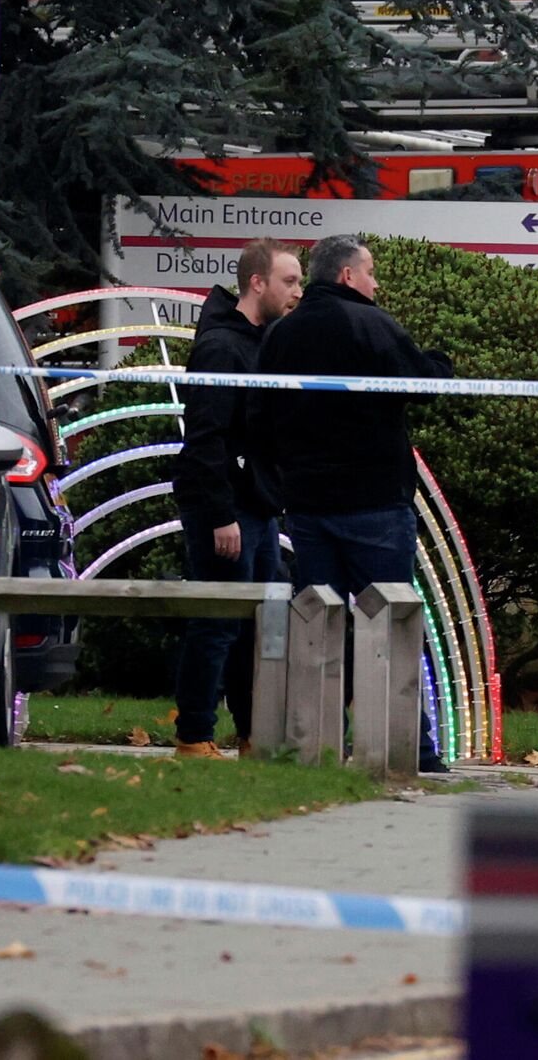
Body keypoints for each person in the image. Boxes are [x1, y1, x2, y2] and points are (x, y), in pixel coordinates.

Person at [251, 234, 455, 773]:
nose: (376, 282)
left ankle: (318, 740)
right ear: (346, 276)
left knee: (320, 623)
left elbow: (261, 417)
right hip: (374, 503)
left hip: (309, 506)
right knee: (392, 622)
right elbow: (424, 384)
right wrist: (442, 362)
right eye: (370, 272)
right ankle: (412, 746)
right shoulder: (372, 324)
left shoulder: (281, 335)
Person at [168, 238, 304, 759]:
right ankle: (195, 734)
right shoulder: (223, 347)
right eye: (289, 281)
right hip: (225, 509)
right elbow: (206, 439)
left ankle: (253, 732)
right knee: (217, 621)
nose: (297, 292)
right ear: (257, 282)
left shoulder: (264, 340)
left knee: (262, 625)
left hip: (260, 507)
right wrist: (221, 515)